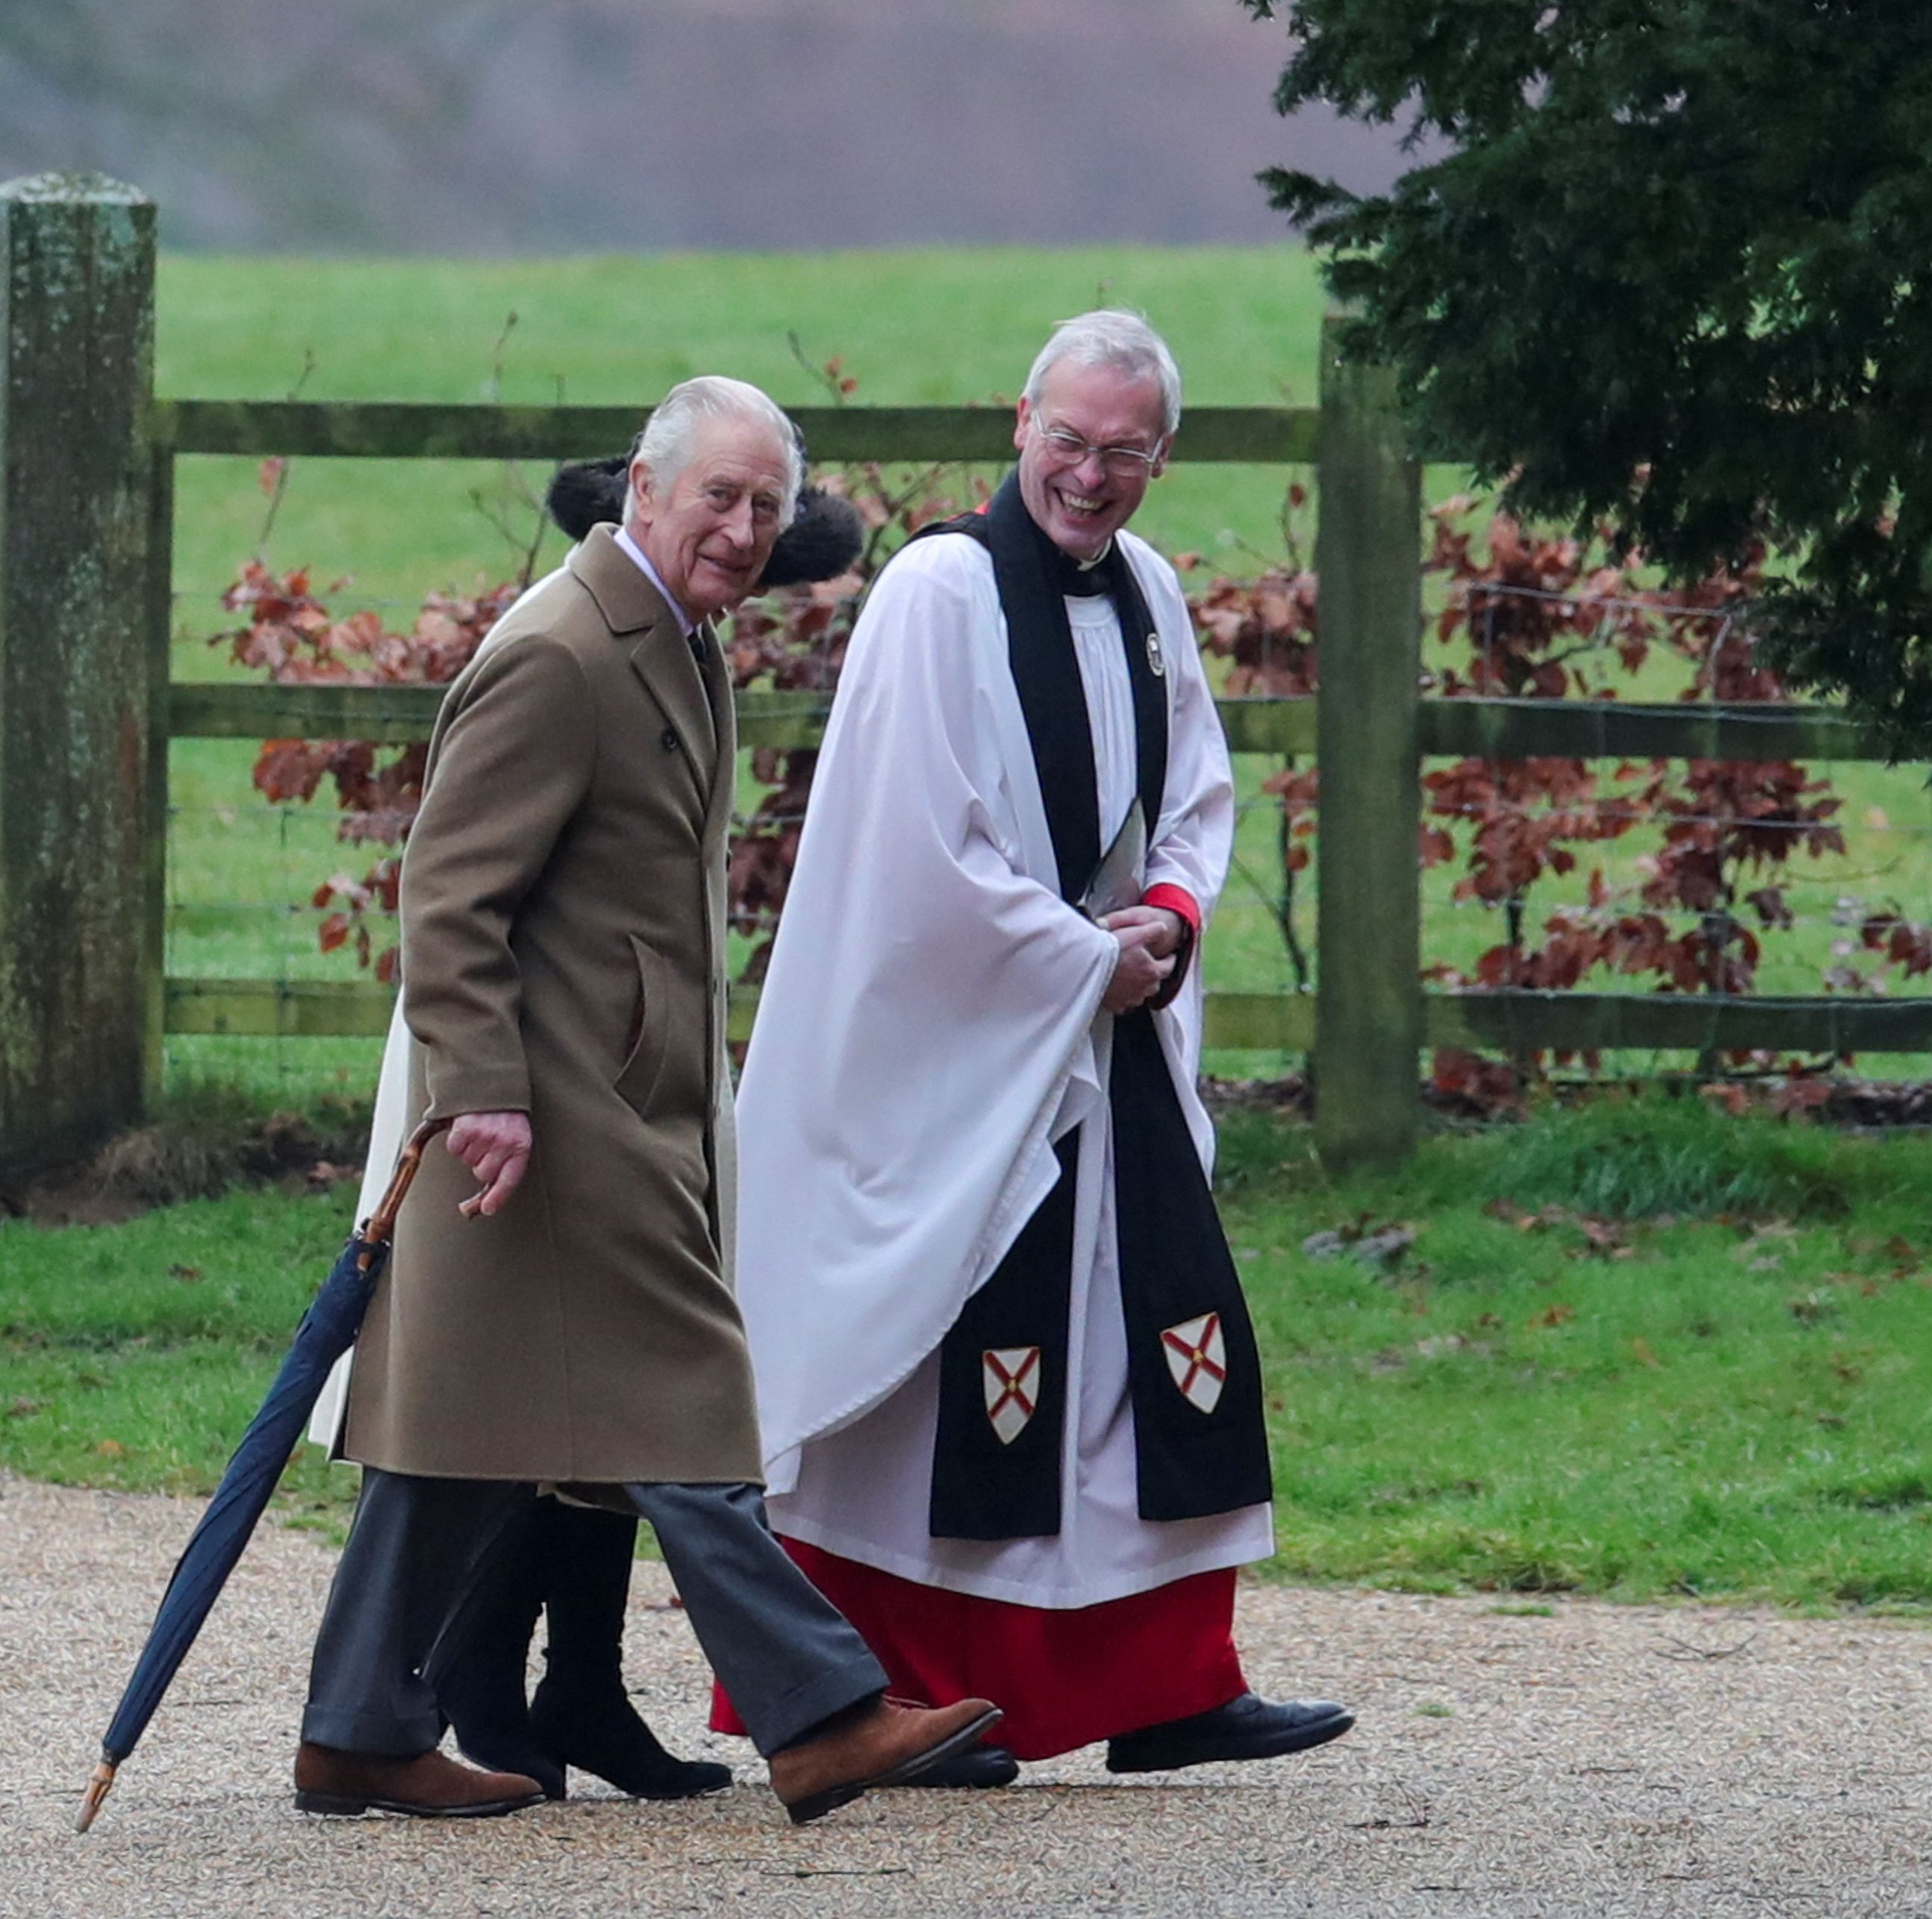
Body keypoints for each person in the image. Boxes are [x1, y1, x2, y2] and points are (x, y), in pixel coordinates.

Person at [291, 375, 999, 1824]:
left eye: (765, 506)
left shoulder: (678, 641)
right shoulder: (562, 650)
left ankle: (357, 1728)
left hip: (625, 1102)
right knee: (689, 1403)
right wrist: (483, 1090)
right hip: (555, 1118)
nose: (741, 531)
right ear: (643, 487)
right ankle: (825, 1716)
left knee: (460, 1431)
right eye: (718, 498)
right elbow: (447, 896)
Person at [723, 313, 1353, 1781]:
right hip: (960, 1049)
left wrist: (1170, 924)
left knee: (1142, 1358)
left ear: (1159, 459)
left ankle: (1169, 1687)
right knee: (940, 1367)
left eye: (1121, 453)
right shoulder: (937, 593)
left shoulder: (1143, 592)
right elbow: (914, 844)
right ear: (1021, 424)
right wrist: (1081, 957)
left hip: (1102, 1032)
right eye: (1066, 443)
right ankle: (890, 1692)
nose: (1088, 477)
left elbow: (1195, 791)